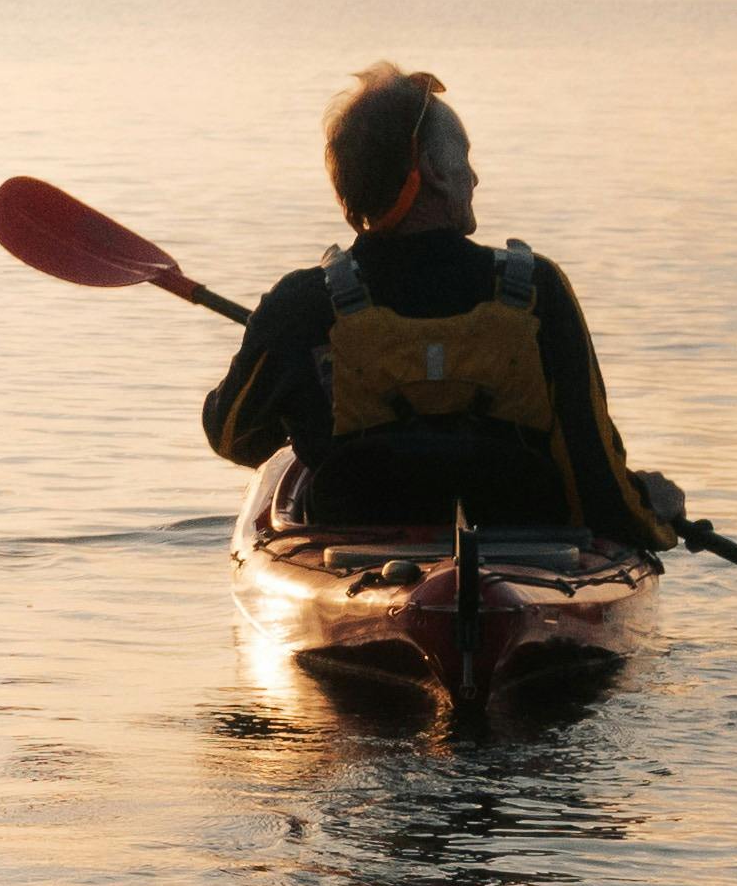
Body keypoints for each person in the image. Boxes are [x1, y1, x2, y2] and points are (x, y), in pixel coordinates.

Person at [200, 65, 686, 553]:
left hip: (357, 564)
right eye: (464, 159)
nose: (474, 177)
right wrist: (650, 508)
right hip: (529, 566)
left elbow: (233, 436)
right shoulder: (538, 290)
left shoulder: (301, 303)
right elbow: (595, 479)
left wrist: (302, 398)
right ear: (431, 172)